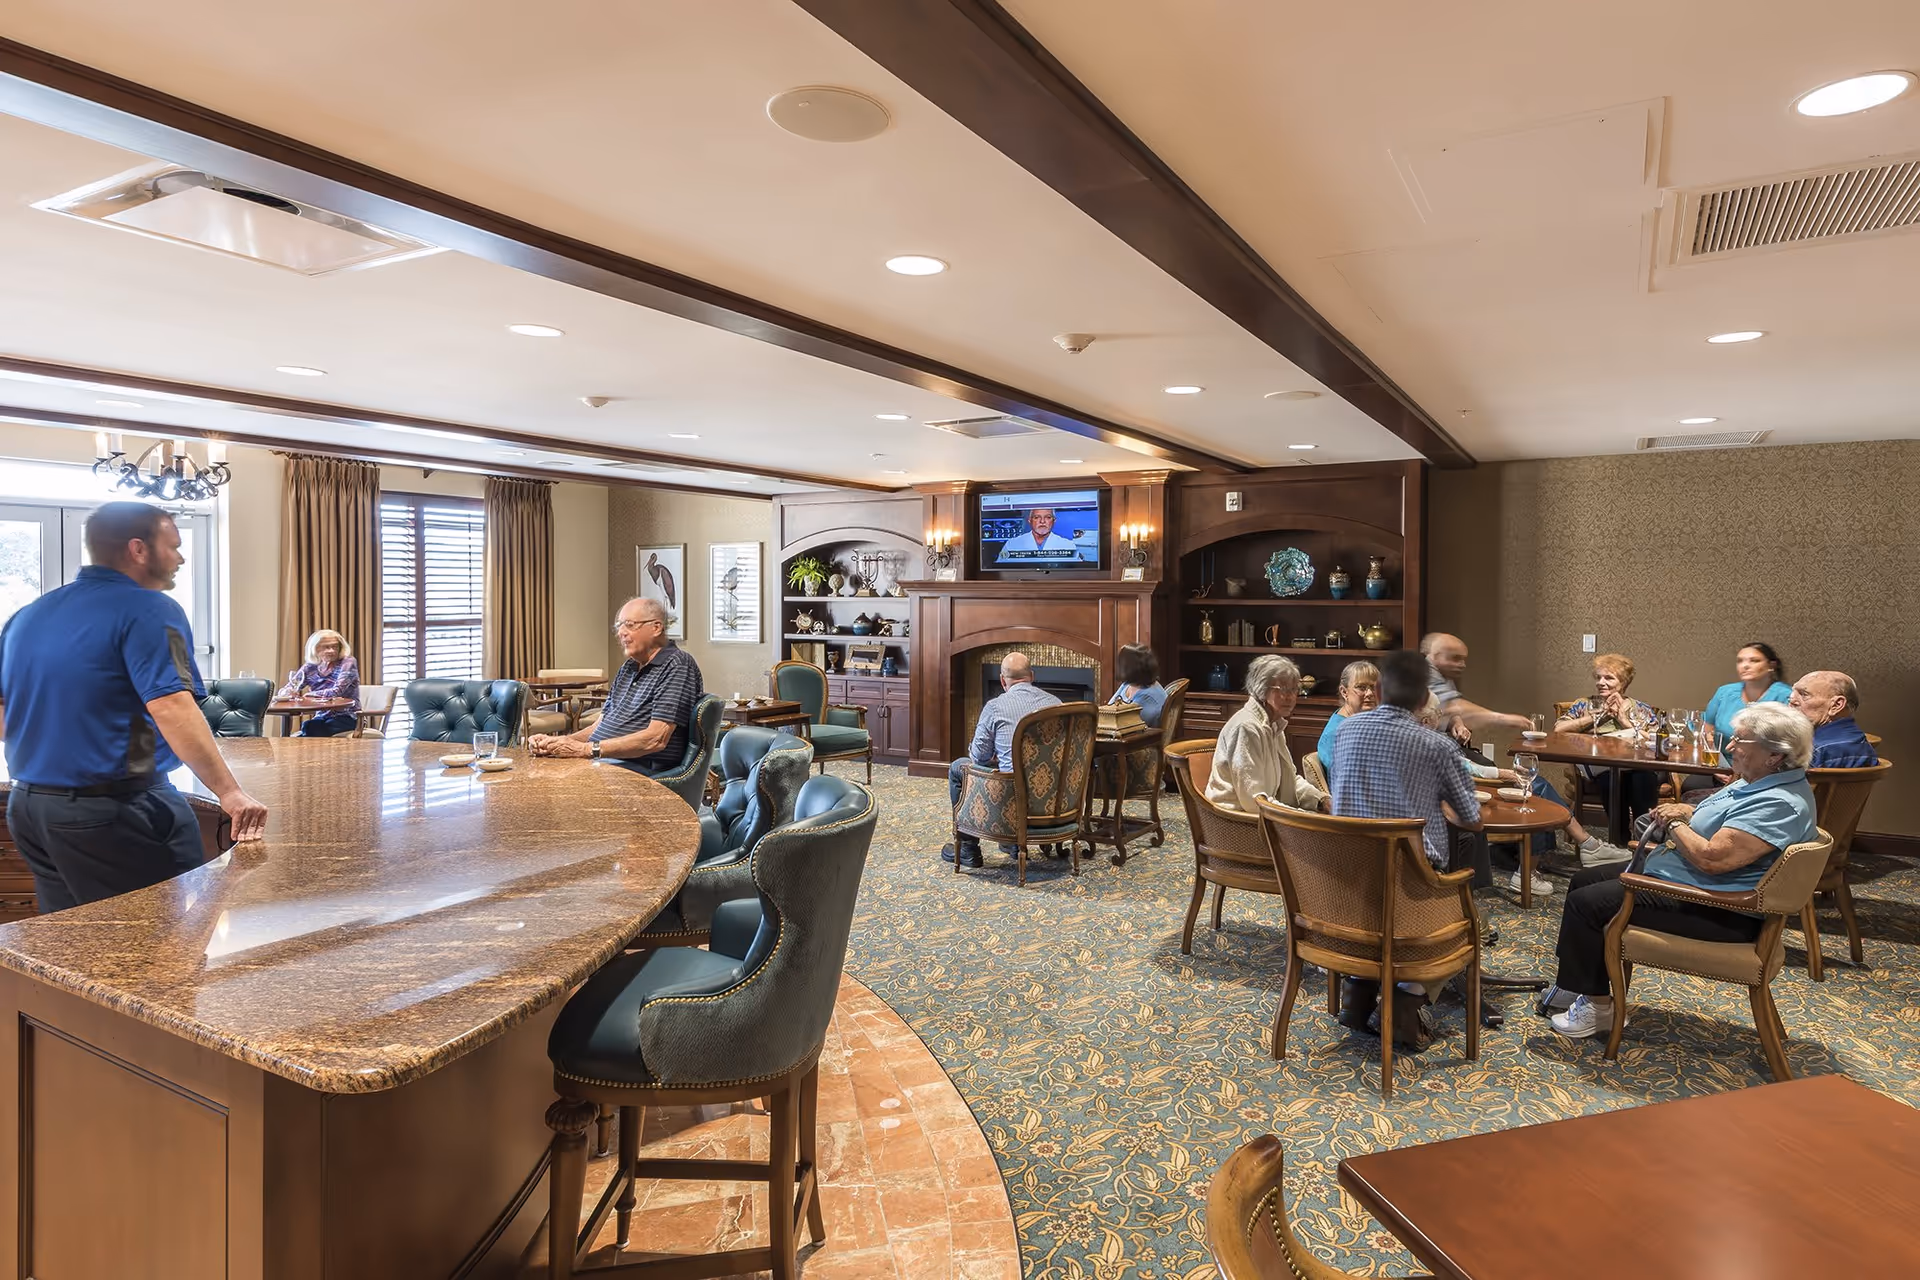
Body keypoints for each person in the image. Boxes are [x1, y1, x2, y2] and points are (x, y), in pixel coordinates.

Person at [0, 502, 269, 911]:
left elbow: (5, 718)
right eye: (173, 546)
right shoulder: (152, 608)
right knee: (163, 948)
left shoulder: (25, 617)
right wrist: (229, 793)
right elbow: (173, 707)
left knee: (75, 947)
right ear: (139, 549)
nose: (180, 558)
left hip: (31, 810)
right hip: (115, 812)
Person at [1546, 702, 1818, 1039]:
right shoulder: (1757, 781)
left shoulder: (1779, 803)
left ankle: (1599, 1009)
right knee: (1584, 879)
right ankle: (1578, 984)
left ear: (1775, 755)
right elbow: (1719, 818)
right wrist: (1687, 811)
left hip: (1721, 909)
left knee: (1588, 904)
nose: (1729, 747)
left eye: (1740, 742)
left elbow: (1712, 859)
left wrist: (1674, 821)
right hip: (1692, 881)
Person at [1328, 649, 1481, 1048]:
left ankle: (1358, 991)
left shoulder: (1346, 732)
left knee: (1382, 892)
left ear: (1378, 689)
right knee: (1464, 918)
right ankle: (1406, 999)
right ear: (1422, 699)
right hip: (1411, 888)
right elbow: (1471, 817)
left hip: (1344, 885)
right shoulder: (1436, 746)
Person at [528, 597, 702, 770]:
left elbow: (655, 739)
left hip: (641, 768)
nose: (621, 633)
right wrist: (561, 742)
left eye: (629, 625)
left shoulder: (677, 664)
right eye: (619, 626)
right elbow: (599, 726)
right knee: (538, 770)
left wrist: (586, 750)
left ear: (656, 628)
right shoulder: (628, 667)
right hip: (607, 760)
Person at [943, 652, 1061, 867]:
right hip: (1054, 797)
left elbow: (978, 757)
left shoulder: (995, 707)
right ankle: (1013, 843)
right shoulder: (1056, 703)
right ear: (1032, 676)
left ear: (1002, 680)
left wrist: (998, 752)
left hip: (1011, 796)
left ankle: (967, 848)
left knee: (957, 767)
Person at [1552, 651, 1660, 834]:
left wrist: (1624, 719)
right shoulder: (1584, 704)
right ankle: (1620, 839)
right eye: (1599, 677)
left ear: (1623, 683)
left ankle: (1645, 836)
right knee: (1610, 778)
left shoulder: (1640, 708)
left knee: (1644, 777)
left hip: (1634, 764)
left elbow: (1656, 739)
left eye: (1608, 678)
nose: (1601, 682)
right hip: (1599, 765)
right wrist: (1594, 716)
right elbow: (1558, 729)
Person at [1204, 655, 1324, 816]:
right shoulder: (1246, 727)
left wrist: (1322, 801)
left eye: (1294, 689)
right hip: (1236, 822)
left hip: (1264, 814)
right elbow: (1255, 800)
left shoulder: (1274, 724)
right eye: (1283, 690)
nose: (1291, 697)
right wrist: (1303, 816)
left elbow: (1290, 781)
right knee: (1326, 834)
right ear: (1261, 689)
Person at [1419, 633, 1529, 736]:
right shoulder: (1426, 672)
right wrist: (1504, 719)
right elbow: (1452, 706)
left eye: (1463, 659)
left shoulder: (1444, 674)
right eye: (1455, 658)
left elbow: (1449, 712)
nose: (1462, 665)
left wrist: (1457, 723)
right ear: (1435, 656)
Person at [277, 628, 360, 737]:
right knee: (308, 726)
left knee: (310, 730)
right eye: (326, 647)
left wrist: (308, 695)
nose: (331, 650)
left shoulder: (347, 662)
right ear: (315, 648)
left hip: (347, 717)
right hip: (322, 716)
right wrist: (286, 693)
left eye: (335, 647)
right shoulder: (310, 667)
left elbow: (337, 691)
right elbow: (291, 686)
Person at [1702, 642, 1791, 742]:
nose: (1745, 665)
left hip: (1767, 757)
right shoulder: (1725, 692)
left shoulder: (1786, 696)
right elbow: (1708, 728)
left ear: (1771, 665)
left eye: (1754, 661)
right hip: (1721, 756)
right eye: (1740, 661)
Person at [1788, 671, 1878, 768]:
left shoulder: (1816, 751)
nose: (1792, 701)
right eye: (1793, 693)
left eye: (1804, 694)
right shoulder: (1858, 740)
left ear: (1836, 705)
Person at [1315, 660, 1378, 783]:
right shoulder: (1337, 733)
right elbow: (1348, 784)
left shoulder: (1362, 720)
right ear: (1344, 692)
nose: (1370, 693)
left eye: (1374, 687)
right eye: (1361, 687)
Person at [1108, 644, 1167, 727]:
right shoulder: (1128, 684)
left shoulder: (1148, 697)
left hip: (1140, 737)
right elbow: (1109, 708)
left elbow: (1125, 724)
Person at [995, 507, 1079, 562]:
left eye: (1048, 517)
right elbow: (1000, 571)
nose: (1042, 521)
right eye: (1036, 517)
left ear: (1054, 521)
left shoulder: (1068, 545)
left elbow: (1077, 574)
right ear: (1029, 521)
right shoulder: (1011, 544)